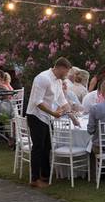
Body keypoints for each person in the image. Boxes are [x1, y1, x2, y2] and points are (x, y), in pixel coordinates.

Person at [25, 57, 77, 188]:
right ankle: (34, 179)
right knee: (38, 147)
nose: (66, 75)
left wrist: (72, 116)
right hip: (36, 115)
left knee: (47, 146)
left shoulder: (58, 81)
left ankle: (45, 175)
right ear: (60, 67)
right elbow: (37, 102)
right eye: (66, 72)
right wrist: (54, 113)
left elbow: (61, 99)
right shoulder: (43, 78)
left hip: (48, 117)